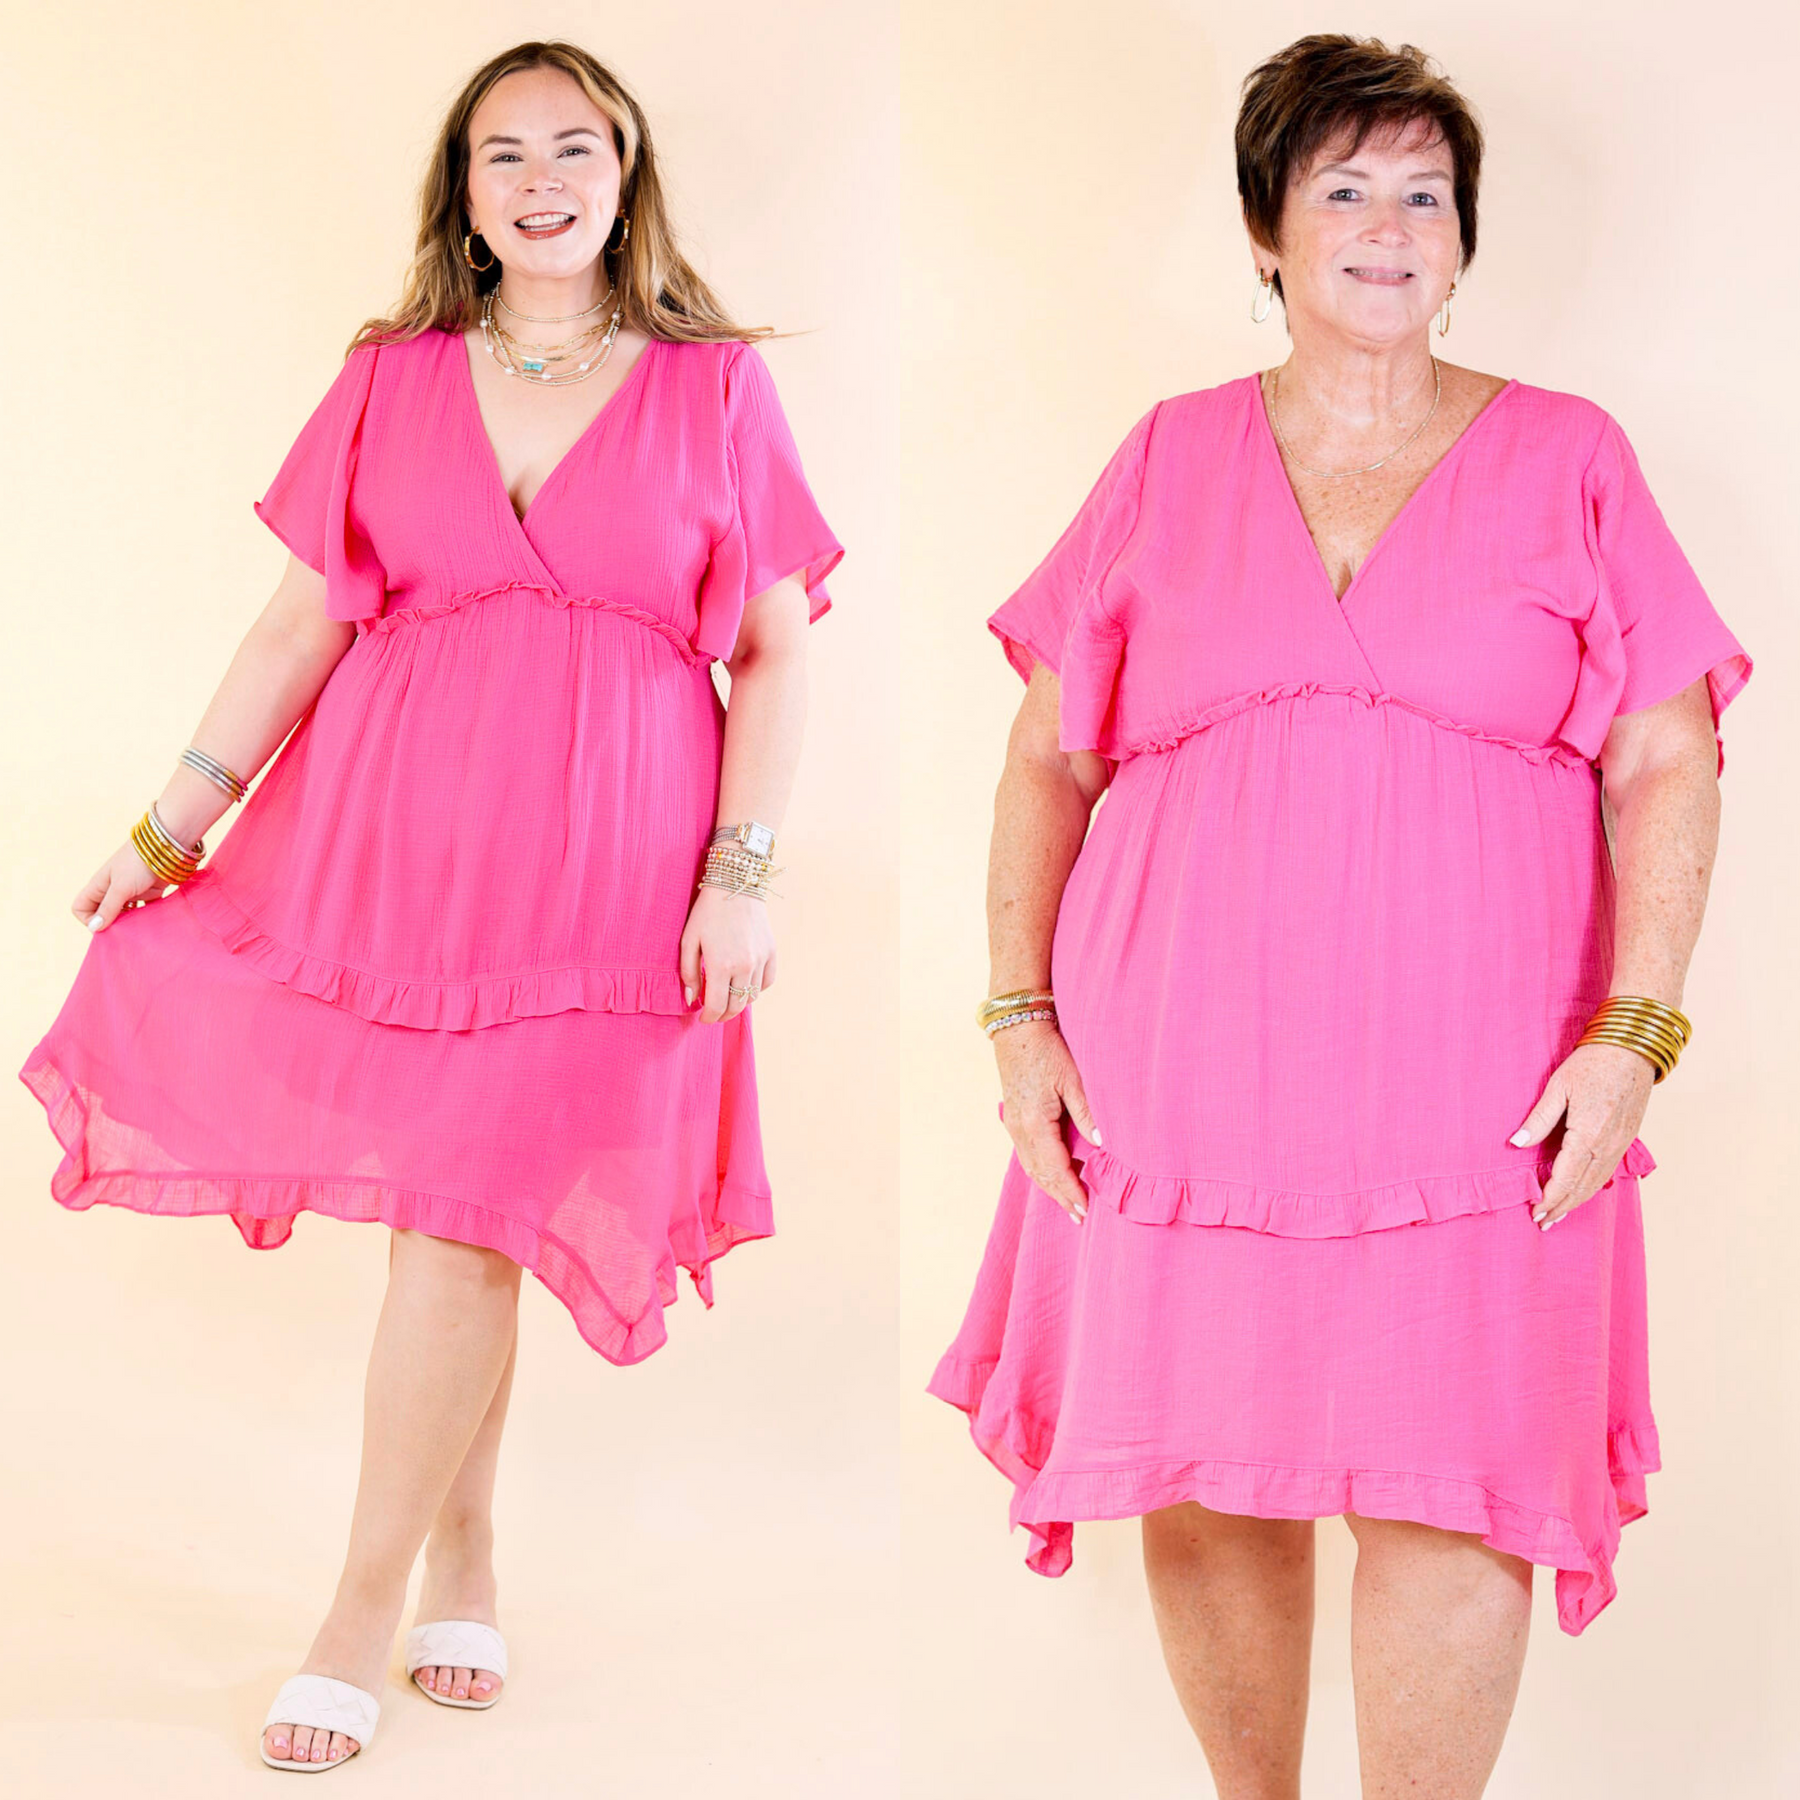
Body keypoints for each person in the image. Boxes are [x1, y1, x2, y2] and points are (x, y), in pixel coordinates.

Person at [929, 33, 1753, 1799]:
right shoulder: (1166, 457)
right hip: (1177, 1073)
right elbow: (1045, 762)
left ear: (1465, 239)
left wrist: (1637, 1033)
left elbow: (1668, 760)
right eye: (1346, 189)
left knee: (1457, 1486)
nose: (1389, 229)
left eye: (1425, 196)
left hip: (1486, 1087)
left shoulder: (1572, 456)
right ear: (1267, 232)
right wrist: (1017, 1016)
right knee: (1209, 1471)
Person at [17, 39, 840, 1774]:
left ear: (626, 173)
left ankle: (352, 1611)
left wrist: (741, 877)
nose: (541, 181)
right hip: (391, 861)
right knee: (461, 1219)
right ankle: (461, 1554)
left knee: (464, 1226)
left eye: (574, 148)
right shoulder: (388, 377)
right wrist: (171, 823)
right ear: (461, 194)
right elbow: (297, 623)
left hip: (608, 876)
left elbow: (774, 655)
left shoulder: (714, 391)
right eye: (502, 155)